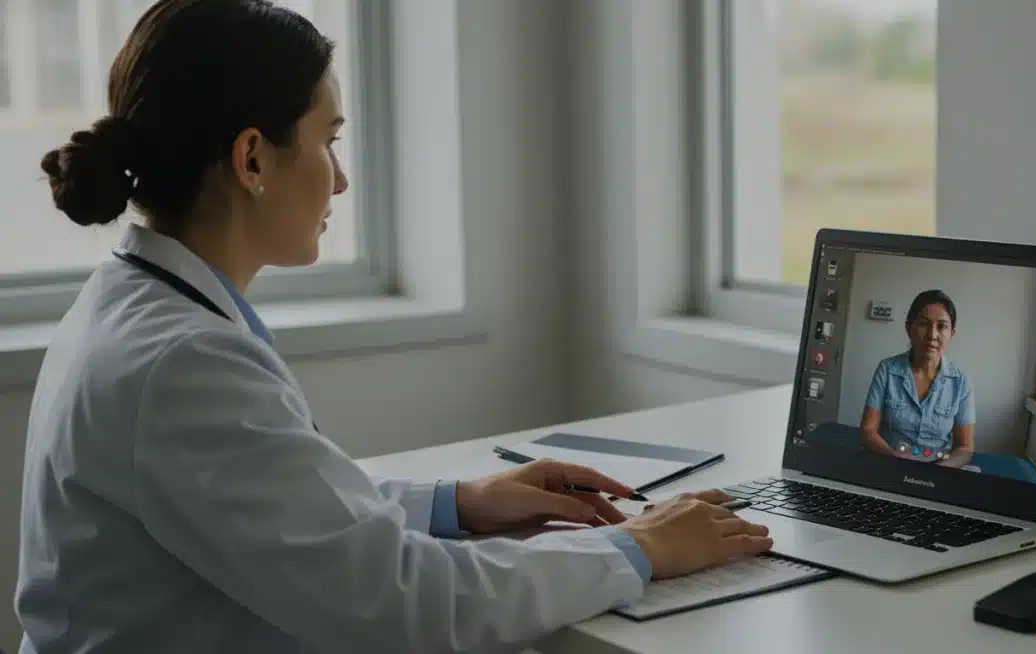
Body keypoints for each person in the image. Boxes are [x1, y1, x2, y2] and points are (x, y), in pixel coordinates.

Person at [14, 2, 772, 652]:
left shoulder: (134, 305)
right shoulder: (182, 362)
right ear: (252, 159)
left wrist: (459, 501)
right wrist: (635, 547)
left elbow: (288, 503)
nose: (340, 178)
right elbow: (398, 604)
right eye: (329, 139)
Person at [858, 290, 978, 470]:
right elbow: (868, 431)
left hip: (939, 466)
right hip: (890, 461)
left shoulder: (961, 381)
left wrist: (937, 472)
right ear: (909, 328)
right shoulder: (887, 370)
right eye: (923, 324)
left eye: (942, 326)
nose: (932, 335)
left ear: (952, 333)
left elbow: (964, 448)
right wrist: (895, 462)